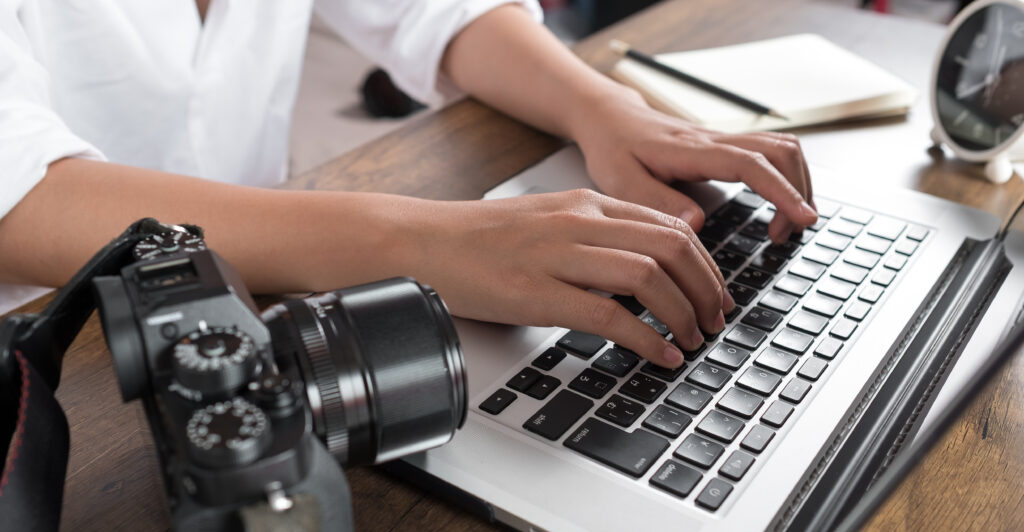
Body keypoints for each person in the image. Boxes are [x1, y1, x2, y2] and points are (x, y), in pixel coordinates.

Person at [0, 0, 816, 369]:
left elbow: (437, 9)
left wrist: (604, 107)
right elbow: (20, 192)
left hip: (262, 306)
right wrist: (418, 239)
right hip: (56, 346)